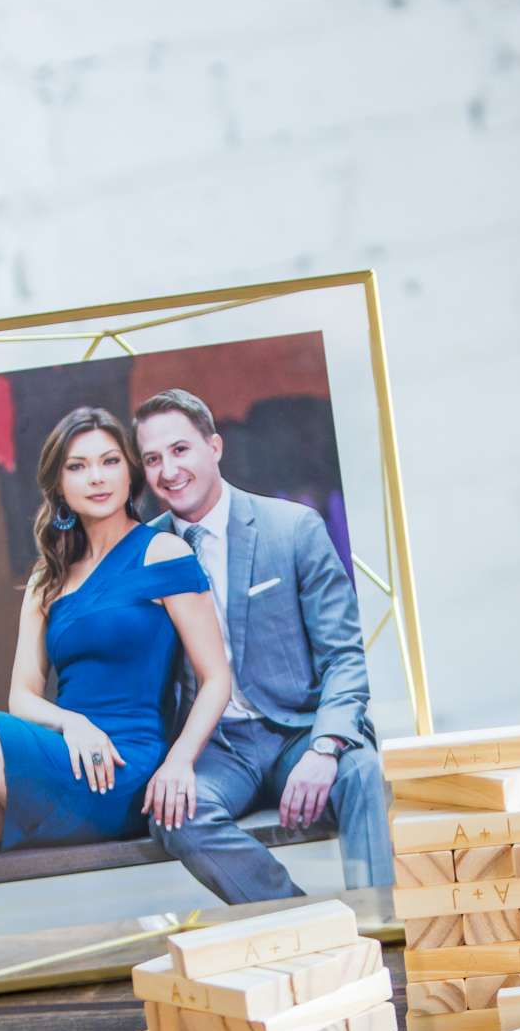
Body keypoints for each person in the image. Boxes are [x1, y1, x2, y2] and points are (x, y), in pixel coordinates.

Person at [0, 406, 231, 938]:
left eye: (110, 461)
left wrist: (179, 762)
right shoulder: (50, 574)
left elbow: (217, 679)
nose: (96, 477)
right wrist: (72, 723)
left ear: (129, 471)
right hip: (65, 754)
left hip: (122, 768)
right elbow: (22, 695)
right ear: (58, 483)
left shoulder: (162, 552)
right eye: (78, 466)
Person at [132, 387, 395, 905]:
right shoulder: (143, 551)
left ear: (215, 447)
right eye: (153, 459)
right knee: (175, 813)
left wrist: (326, 748)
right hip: (216, 746)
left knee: (362, 770)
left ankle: (382, 922)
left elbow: (344, 655)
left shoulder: (292, 528)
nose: (168, 470)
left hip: (298, 728)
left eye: (180, 450)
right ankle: (301, 919)